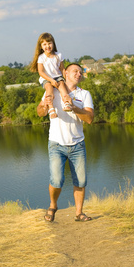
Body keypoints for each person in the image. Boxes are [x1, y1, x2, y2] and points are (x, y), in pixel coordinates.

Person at [37, 63, 94, 222]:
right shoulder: (53, 91)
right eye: (75, 71)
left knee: (80, 181)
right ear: (65, 73)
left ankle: (79, 213)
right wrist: (44, 105)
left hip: (77, 145)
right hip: (56, 144)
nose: (79, 74)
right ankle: (53, 205)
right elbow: (40, 112)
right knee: (56, 180)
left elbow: (89, 119)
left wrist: (74, 107)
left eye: (80, 72)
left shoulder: (84, 94)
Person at [30, 32, 73, 119]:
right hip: (46, 78)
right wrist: (51, 80)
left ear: (53, 43)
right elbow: (41, 72)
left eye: (49, 43)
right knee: (49, 89)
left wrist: (66, 80)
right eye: (44, 44)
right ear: (41, 46)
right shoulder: (41, 57)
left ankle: (66, 103)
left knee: (62, 86)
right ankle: (51, 108)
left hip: (57, 77)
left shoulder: (58, 55)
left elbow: (62, 69)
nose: (47, 46)